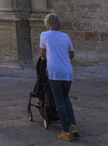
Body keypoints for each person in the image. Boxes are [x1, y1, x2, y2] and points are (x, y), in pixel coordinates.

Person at [40, 12, 80, 141]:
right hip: (67, 71)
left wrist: (51, 59)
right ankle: (73, 126)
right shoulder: (65, 36)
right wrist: (63, 60)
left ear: (48, 24)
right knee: (66, 98)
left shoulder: (45, 35)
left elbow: (43, 55)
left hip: (55, 71)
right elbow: (71, 54)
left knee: (58, 100)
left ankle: (66, 132)